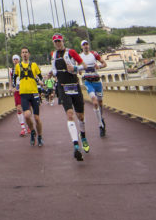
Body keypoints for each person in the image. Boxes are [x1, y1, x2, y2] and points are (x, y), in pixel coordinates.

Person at [50, 33, 89, 161]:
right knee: (70, 114)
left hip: (74, 85)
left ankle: (83, 136)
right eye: (55, 42)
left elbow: (84, 66)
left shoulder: (71, 52)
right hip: (63, 87)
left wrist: (75, 67)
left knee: (80, 116)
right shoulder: (53, 55)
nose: (57, 43)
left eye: (59, 41)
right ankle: (76, 146)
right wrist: (50, 73)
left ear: (63, 41)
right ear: (53, 43)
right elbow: (55, 69)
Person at [14, 46, 44, 146]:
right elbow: (15, 77)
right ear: (21, 54)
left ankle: (39, 136)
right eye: (23, 52)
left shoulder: (34, 65)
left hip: (34, 93)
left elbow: (40, 77)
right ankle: (32, 131)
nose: (25, 54)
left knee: (36, 118)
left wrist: (40, 81)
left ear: (29, 54)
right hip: (23, 94)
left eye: (26, 52)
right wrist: (15, 87)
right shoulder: (18, 66)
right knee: (26, 115)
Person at [80, 39, 108, 136]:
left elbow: (105, 64)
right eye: (84, 45)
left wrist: (99, 66)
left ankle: (101, 118)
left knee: (100, 103)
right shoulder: (80, 57)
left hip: (97, 82)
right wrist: (79, 71)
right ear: (82, 47)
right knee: (94, 101)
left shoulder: (94, 54)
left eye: (87, 44)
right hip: (88, 82)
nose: (86, 46)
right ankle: (100, 125)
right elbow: (78, 69)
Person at [10, 54, 28, 136]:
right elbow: (11, 80)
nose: (15, 61)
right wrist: (11, 87)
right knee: (18, 109)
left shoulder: (23, 67)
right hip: (17, 91)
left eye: (16, 59)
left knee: (27, 109)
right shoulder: (12, 70)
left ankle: (29, 126)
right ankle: (23, 128)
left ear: (19, 60)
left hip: (24, 90)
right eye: (14, 59)